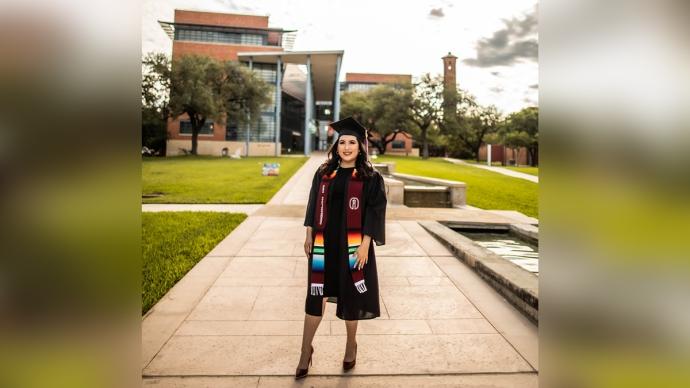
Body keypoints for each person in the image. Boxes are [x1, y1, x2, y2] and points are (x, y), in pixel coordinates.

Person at [295, 116, 387, 379]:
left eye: (352, 142)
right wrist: (309, 233)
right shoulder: (324, 173)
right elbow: (313, 204)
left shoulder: (370, 177)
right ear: (336, 146)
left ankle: (350, 345)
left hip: (353, 246)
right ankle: (305, 351)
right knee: (316, 295)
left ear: (360, 147)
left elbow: (375, 212)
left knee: (351, 296)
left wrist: (365, 245)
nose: (346, 147)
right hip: (325, 243)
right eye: (342, 142)